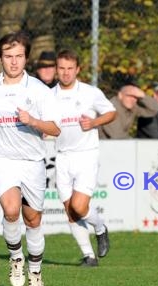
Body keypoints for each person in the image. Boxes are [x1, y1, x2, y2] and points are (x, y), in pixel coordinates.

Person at [0, 31, 61, 286]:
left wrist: (33, 122)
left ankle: (36, 271)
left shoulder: (39, 90)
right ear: (0, 57)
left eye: (19, 56)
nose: (14, 62)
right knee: (10, 210)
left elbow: (55, 129)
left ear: (26, 58)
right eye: (9, 56)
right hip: (0, 159)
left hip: (32, 162)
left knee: (33, 220)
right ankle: (16, 257)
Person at [53, 49, 116, 267]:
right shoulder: (49, 96)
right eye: (62, 68)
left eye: (70, 68)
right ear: (56, 70)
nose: (66, 73)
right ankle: (89, 256)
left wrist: (93, 123)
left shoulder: (90, 92)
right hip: (61, 158)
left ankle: (100, 227)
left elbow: (111, 112)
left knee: (79, 207)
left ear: (78, 69)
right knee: (70, 211)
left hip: (86, 155)